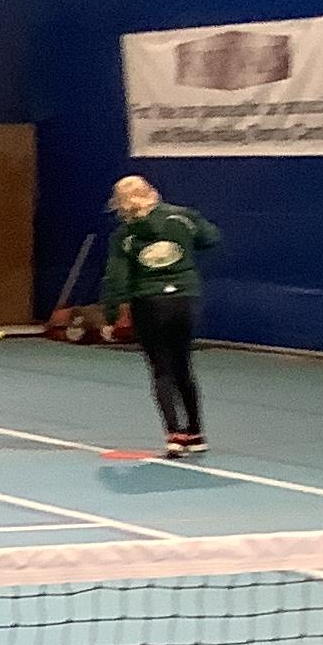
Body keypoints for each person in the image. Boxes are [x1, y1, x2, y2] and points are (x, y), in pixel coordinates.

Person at [101, 174, 219, 457]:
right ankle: (196, 433)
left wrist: (111, 316)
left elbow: (116, 278)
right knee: (183, 365)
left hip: (149, 303)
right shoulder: (183, 217)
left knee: (162, 369)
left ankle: (175, 435)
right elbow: (211, 237)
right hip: (184, 299)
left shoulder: (125, 236)